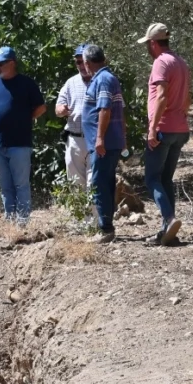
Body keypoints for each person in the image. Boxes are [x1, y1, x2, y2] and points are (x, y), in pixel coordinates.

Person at [139, 22, 191, 245]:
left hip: (164, 129)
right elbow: (187, 97)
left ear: (153, 43)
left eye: (147, 45)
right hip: (180, 128)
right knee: (166, 179)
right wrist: (182, 116)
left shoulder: (161, 63)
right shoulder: (181, 62)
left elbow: (161, 96)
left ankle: (169, 219)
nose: (147, 50)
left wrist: (152, 128)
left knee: (151, 178)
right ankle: (167, 230)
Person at [0, 46, 46, 226]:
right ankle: (9, 220)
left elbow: (41, 107)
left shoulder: (27, 84)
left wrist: (25, 119)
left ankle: (22, 222)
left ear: (12, 63)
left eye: (0, 63)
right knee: (5, 185)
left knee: (21, 184)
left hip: (19, 143)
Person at [81, 46, 126, 244]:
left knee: (99, 182)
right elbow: (120, 111)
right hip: (107, 142)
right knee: (105, 182)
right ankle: (106, 224)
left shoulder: (103, 79)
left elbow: (105, 109)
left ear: (88, 63)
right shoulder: (106, 78)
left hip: (103, 144)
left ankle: (105, 229)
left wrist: (99, 138)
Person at [55, 45, 93, 187]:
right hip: (74, 139)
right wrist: (62, 110)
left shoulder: (102, 80)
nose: (81, 65)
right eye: (78, 62)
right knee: (76, 184)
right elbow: (58, 109)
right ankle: (80, 210)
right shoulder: (70, 83)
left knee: (93, 184)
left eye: (83, 61)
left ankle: (94, 210)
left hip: (95, 139)